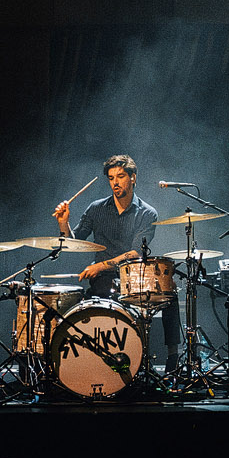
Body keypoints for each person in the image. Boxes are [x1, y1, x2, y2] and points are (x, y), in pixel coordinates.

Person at [54, 154, 177, 370]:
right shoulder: (96, 208)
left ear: (133, 177)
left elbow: (135, 253)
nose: (115, 182)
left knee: (170, 293)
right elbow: (74, 243)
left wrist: (100, 265)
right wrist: (64, 224)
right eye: (111, 178)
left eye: (120, 176)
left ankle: (173, 359)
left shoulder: (147, 213)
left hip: (134, 279)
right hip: (102, 281)